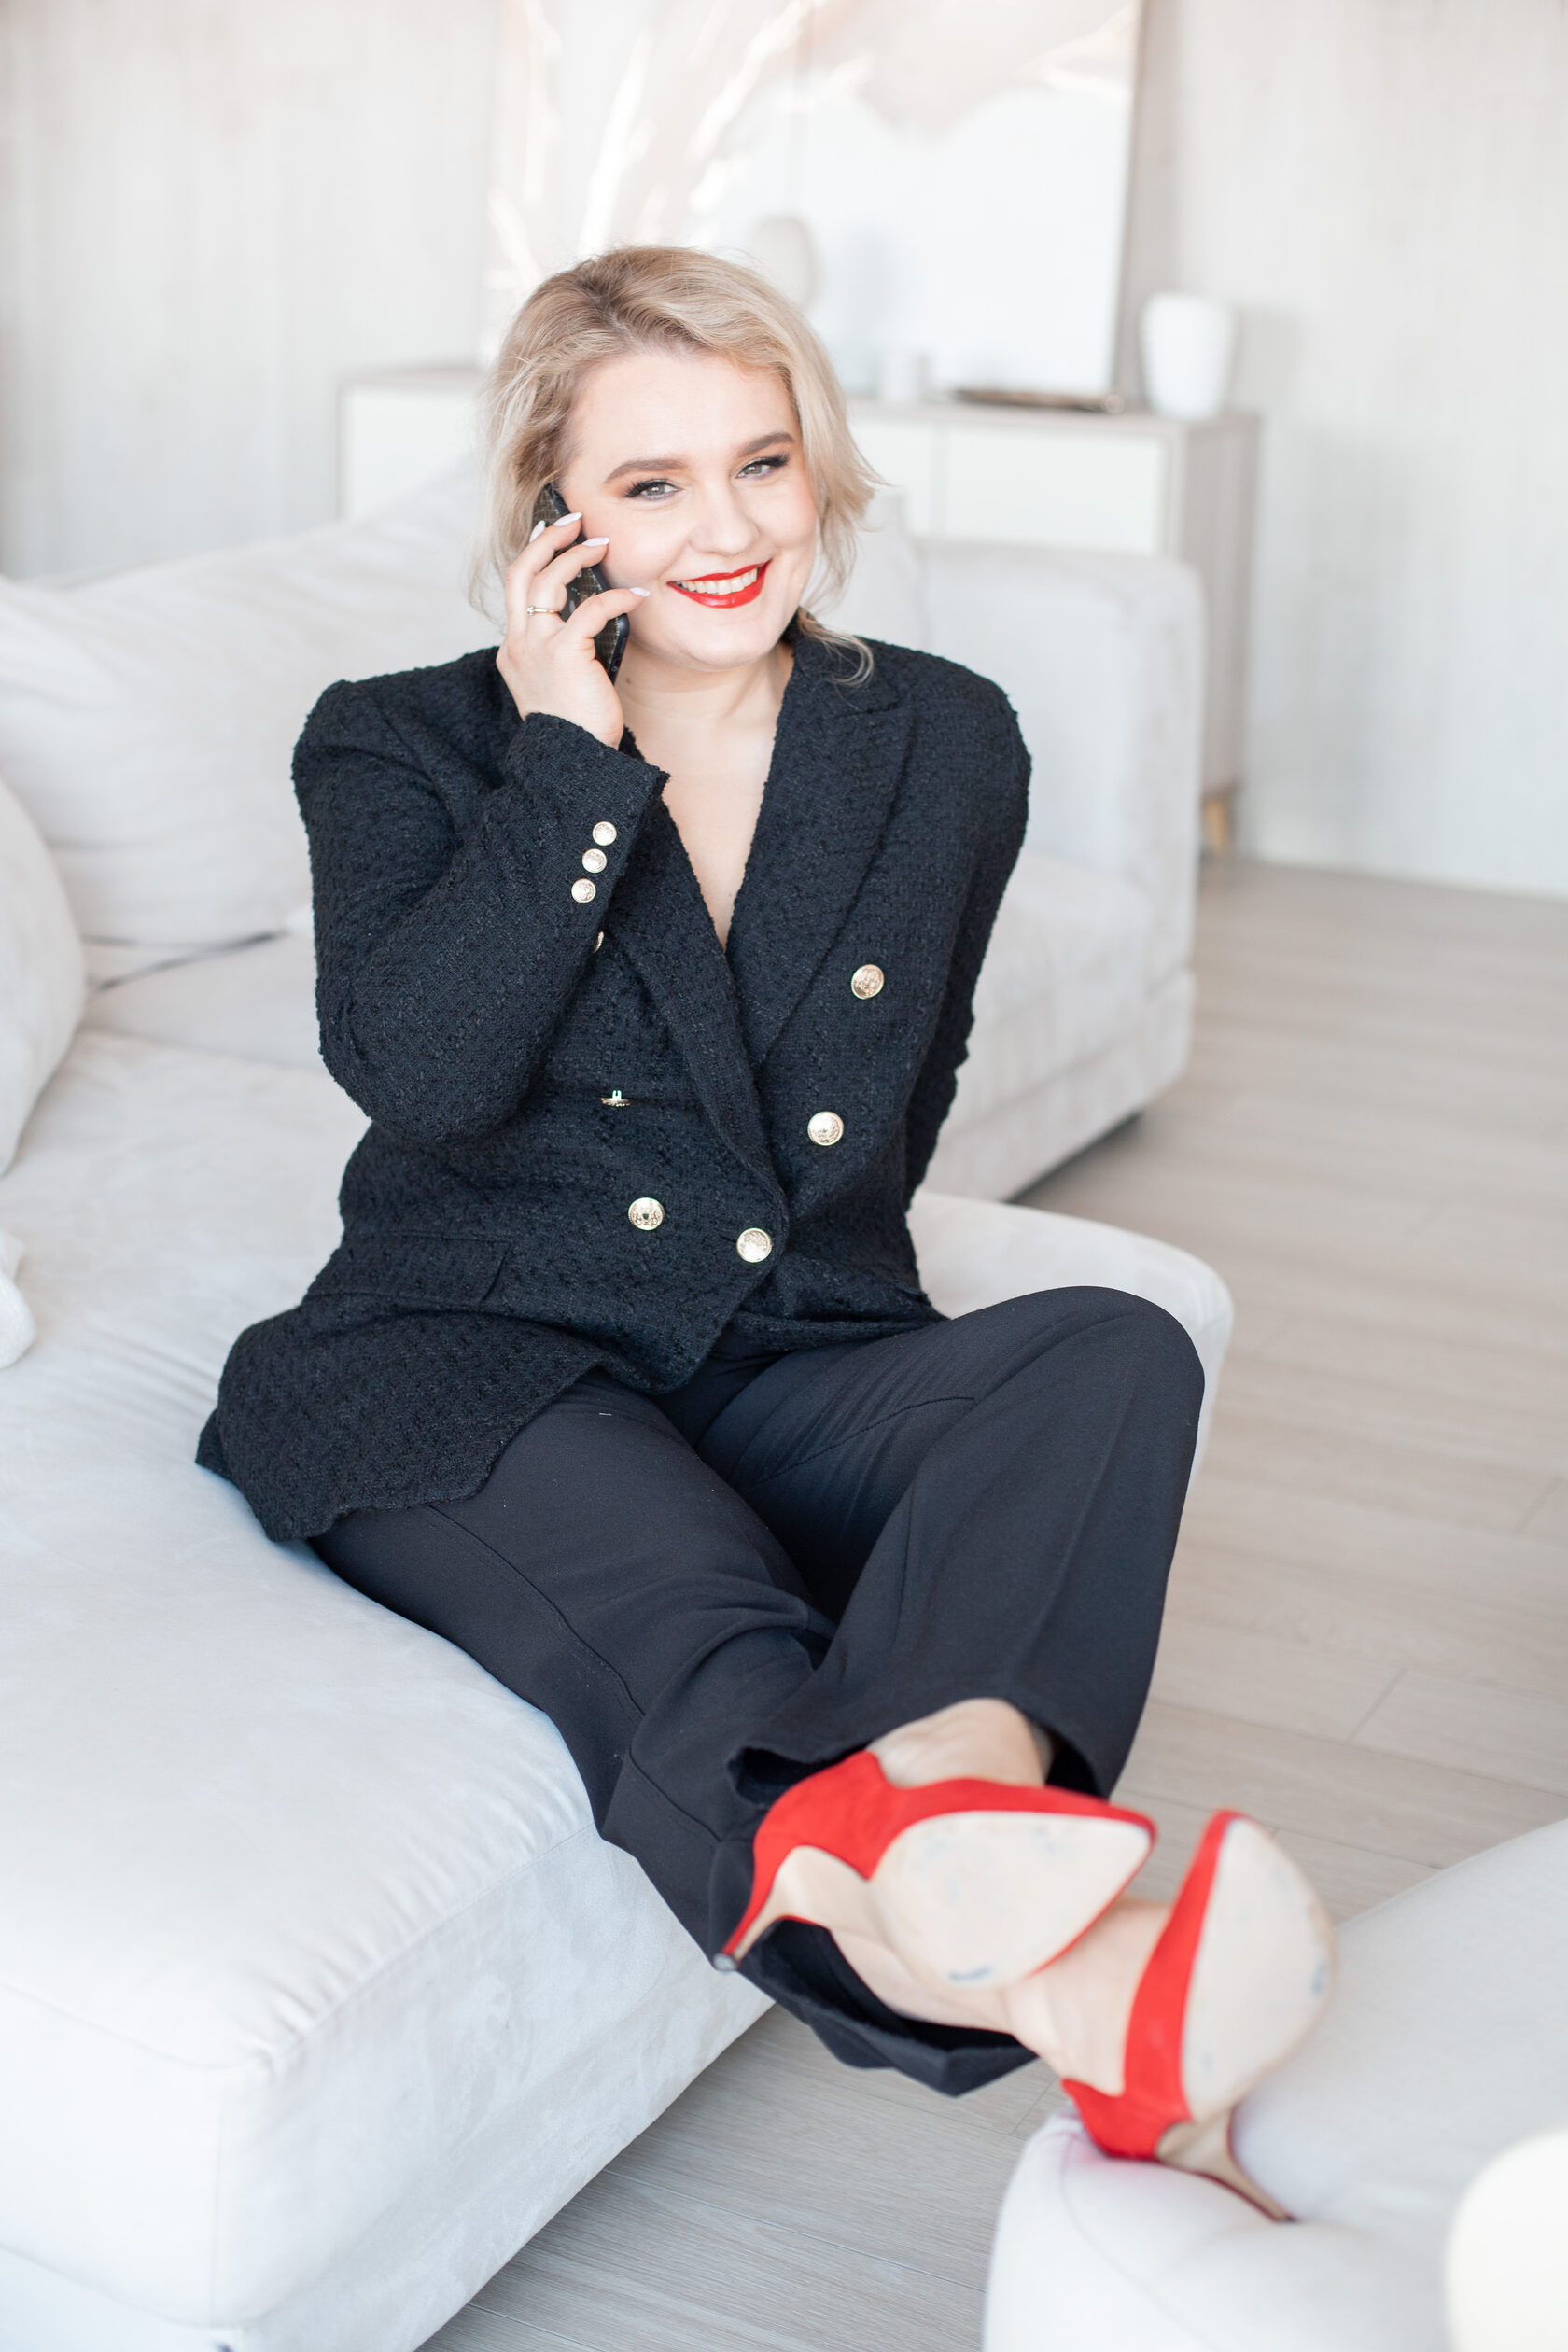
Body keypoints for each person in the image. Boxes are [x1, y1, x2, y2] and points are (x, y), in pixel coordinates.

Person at [199, 245, 1333, 2215]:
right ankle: (1071, 1990)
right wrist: (572, 761)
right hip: (468, 1359)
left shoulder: (945, 740)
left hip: (792, 1345)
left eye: (764, 463)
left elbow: (906, 1097)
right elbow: (427, 1080)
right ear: (553, 511)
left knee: (1111, 1348)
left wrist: (855, 1361)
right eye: (651, 484)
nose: (727, 533)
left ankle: (956, 1802)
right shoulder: (394, 745)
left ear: (820, 470)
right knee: (698, 1611)